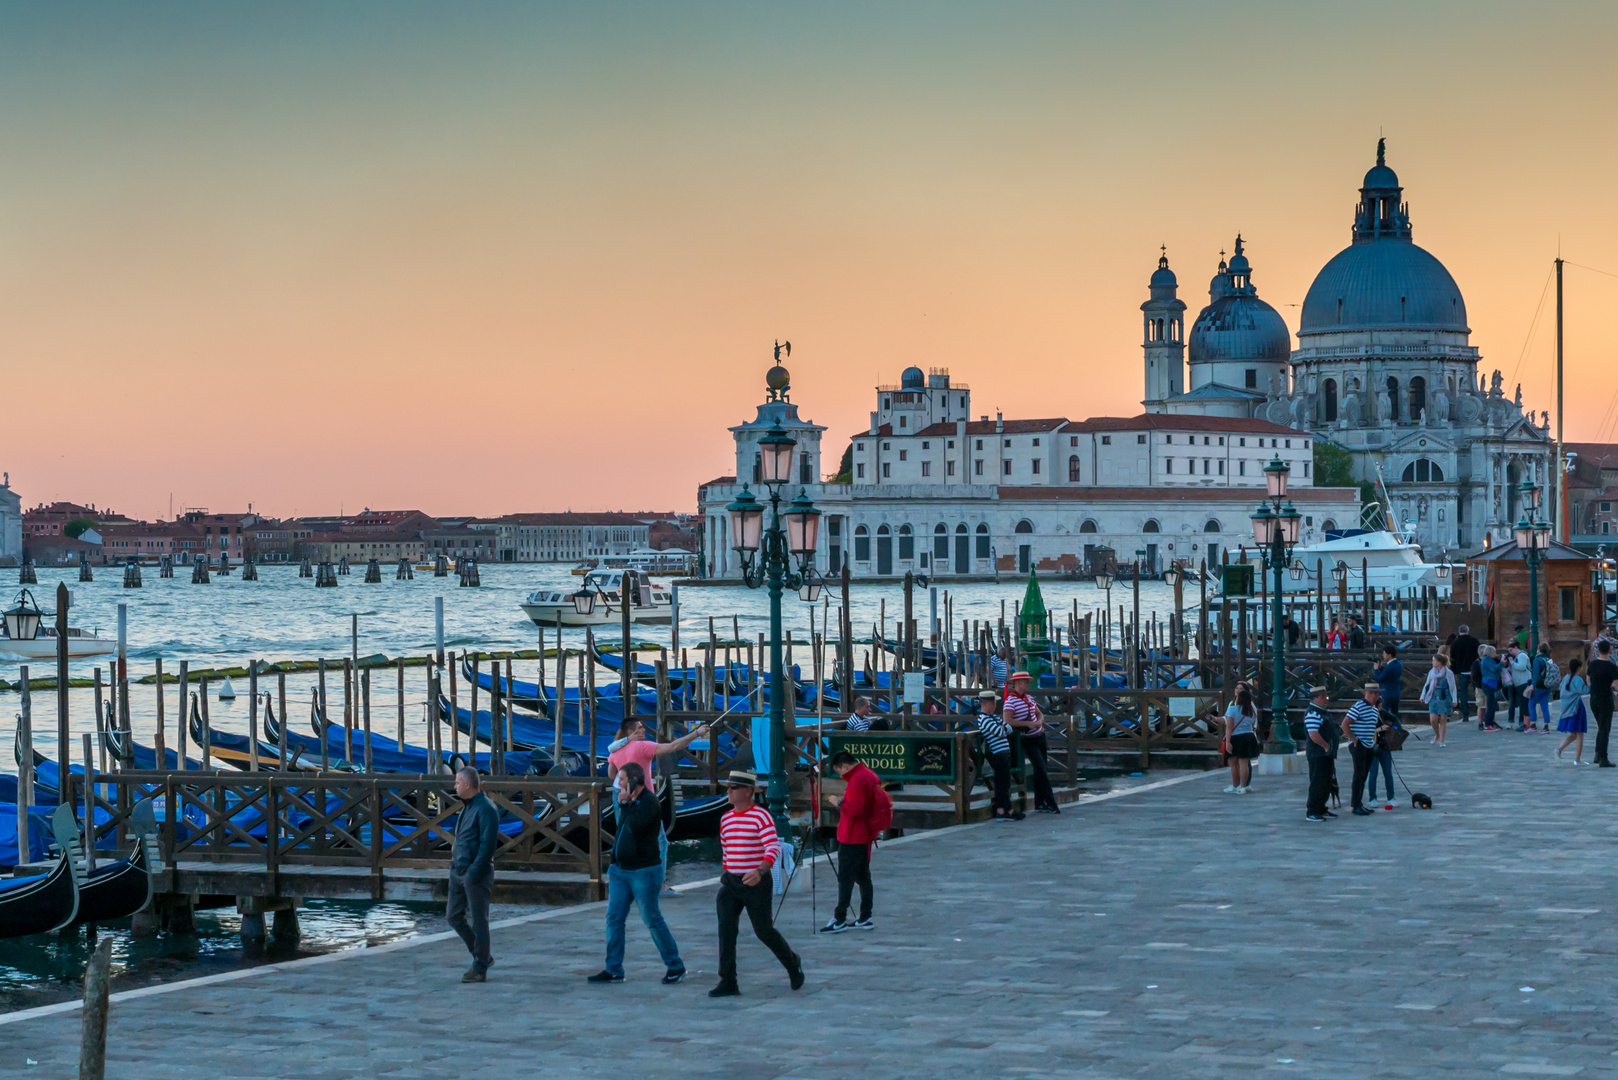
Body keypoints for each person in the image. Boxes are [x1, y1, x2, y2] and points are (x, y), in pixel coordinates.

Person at [588, 762, 685, 984]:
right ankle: (613, 968)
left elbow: (632, 826)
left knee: (651, 917)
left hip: (643, 871)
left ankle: (675, 965)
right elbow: (621, 829)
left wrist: (624, 803)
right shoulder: (629, 802)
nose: (618, 785)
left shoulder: (649, 802)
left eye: (621, 780)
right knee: (614, 918)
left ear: (633, 780)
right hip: (620, 871)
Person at [710, 770, 803, 997]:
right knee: (726, 930)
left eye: (734, 788)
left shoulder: (761, 816)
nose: (729, 792)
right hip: (731, 883)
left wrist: (761, 870)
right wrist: (729, 873)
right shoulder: (725, 818)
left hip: (757, 881)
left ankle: (793, 964)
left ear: (749, 792)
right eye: (729, 787)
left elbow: (772, 847)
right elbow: (726, 849)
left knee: (763, 930)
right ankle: (728, 980)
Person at [820, 751, 886, 933]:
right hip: (864, 834)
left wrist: (838, 802)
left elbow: (855, 810)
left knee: (846, 877)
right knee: (863, 876)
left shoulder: (857, 779)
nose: (841, 776)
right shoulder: (868, 775)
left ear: (845, 766)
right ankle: (865, 916)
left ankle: (839, 918)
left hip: (852, 835)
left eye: (839, 771)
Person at [447, 766, 499, 983]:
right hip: (458, 870)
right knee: (453, 916)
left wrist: (473, 872)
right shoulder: (467, 807)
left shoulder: (485, 808)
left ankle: (480, 966)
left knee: (479, 920)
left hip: (475, 873)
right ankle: (482, 955)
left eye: (457, 782)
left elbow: (488, 845)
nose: (455, 786)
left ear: (467, 784)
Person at [1004, 671, 1058, 813]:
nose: (1027, 684)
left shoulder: (1028, 698)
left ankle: (1040, 803)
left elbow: (1038, 712)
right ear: (1017, 683)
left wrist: (1039, 721)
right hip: (1027, 739)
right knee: (1040, 768)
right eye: (1025, 681)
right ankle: (1051, 802)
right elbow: (1007, 720)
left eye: (1027, 681)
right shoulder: (1011, 701)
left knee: (1042, 769)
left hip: (1039, 736)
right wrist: (1027, 724)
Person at [1342, 683, 1390, 816]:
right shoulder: (1358, 707)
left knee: (1363, 775)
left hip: (1369, 745)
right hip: (1358, 745)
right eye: (1371, 693)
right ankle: (1355, 804)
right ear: (1365, 694)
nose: (1374, 696)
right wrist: (1354, 739)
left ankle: (1359, 803)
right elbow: (1344, 725)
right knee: (1358, 775)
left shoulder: (1374, 709)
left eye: (1376, 693)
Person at [973, 689, 1020, 821]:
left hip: (1003, 753)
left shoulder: (993, 718)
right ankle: (1006, 811)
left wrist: (1003, 728)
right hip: (997, 754)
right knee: (1002, 783)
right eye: (993, 703)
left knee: (1003, 782)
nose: (994, 705)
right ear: (985, 703)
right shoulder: (984, 719)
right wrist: (1003, 728)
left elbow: (1007, 728)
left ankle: (1002, 810)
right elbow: (1000, 731)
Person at [1303, 685, 1338, 822]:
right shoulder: (1313, 713)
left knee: (1326, 782)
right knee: (1317, 782)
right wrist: (1325, 746)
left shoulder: (1323, 712)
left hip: (1326, 754)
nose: (1326, 699)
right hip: (1318, 754)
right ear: (1315, 698)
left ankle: (1322, 808)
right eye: (1323, 696)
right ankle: (1312, 811)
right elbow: (1313, 734)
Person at [1222, 682, 1260, 794]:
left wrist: (1228, 742)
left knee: (1233, 764)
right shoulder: (1251, 710)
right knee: (1244, 763)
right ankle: (1244, 786)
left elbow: (1229, 727)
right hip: (1248, 736)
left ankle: (1236, 785)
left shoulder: (1232, 709)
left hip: (1236, 737)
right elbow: (1253, 722)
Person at [1589, 640, 1618, 767]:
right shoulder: (1612, 666)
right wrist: (1611, 686)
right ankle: (1603, 757)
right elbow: (1616, 686)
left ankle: (1597, 753)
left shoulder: (1593, 664)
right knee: (1605, 729)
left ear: (1598, 650)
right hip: (1606, 699)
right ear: (1610, 650)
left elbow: (1588, 681)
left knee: (1601, 726)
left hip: (1594, 699)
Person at [1556, 658, 1589, 763]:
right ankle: (1577, 759)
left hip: (1567, 708)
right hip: (1576, 708)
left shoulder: (1565, 678)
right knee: (1579, 734)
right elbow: (1585, 690)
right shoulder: (1577, 679)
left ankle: (1559, 749)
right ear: (1579, 668)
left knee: (1574, 734)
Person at [1421, 653, 1457, 747]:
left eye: (1434, 660)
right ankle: (1437, 734)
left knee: (1443, 719)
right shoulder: (1432, 672)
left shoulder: (1448, 672)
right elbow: (1427, 684)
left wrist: (1454, 699)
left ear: (1439, 662)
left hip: (1445, 695)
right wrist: (1423, 696)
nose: (1432, 662)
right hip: (1434, 695)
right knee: (1433, 719)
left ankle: (1442, 740)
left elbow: (1453, 686)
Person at [1450, 624, 1480, 724]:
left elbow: (1453, 658)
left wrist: (1454, 671)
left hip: (1461, 670)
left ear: (1459, 631)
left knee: (1463, 692)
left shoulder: (1455, 643)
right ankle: (1481, 710)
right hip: (1474, 669)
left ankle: (1465, 714)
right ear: (1468, 630)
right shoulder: (1474, 641)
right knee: (1478, 690)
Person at [1528, 643, 1558, 733]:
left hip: (1539, 686)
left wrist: (1532, 685)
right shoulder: (1549, 660)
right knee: (1544, 706)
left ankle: (1533, 725)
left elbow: (1535, 675)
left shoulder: (1537, 660)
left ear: (1539, 649)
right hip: (1547, 686)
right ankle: (1546, 726)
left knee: (1531, 704)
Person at [1373, 644, 1403, 724]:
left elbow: (1379, 679)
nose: (1383, 655)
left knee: (1385, 714)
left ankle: (1388, 732)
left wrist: (1376, 669)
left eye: (1384, 653)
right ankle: (1396, 730)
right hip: (1396, 692)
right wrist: (1381, 668)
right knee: (1395, 715)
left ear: (1389, 654)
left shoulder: (1390, 666)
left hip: (1387, 693)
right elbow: (1389, 674)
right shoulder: (1398, 663)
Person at [1505, 642, 1532, 730]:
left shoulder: (1522, 656)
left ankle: (1525, 724)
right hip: (1519, 683)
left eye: (1511, 650)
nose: (1511, 652)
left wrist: (1512, 663)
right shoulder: (1518, 656)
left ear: (1516, 647)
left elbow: (1522, 667)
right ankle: (1524, 723)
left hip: (1523, 682)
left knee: (1524, 704)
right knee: (1523, 703)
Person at [1477, 646, 1503, 729]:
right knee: (1490, 705)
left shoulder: (1490, 660)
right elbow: (1493, 669)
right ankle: (1488, 725)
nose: (1495, 654)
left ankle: (1490, 724)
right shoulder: (1486, 660)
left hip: (1493, 683)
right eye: (1494, 652)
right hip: (1488, 684)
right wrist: (1502, 663)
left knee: (1493, 705)